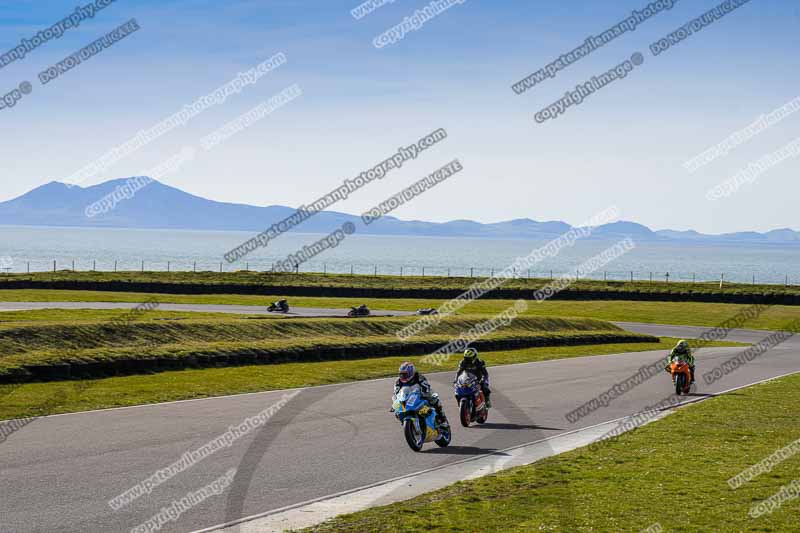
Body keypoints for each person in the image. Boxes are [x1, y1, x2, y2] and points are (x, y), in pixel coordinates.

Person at [394, 361, 449, 427]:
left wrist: (424, 393)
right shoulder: (398, 381)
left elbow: (426, 387)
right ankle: (406, 423)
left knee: (434, 399)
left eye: (405, 374)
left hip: (421, 394)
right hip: (408, 397)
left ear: (411, 373)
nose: (403, 376)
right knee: (398, 411)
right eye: (401, 374)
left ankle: (442, 419)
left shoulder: (419, 377)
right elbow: (396, 393)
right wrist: (395, 403)